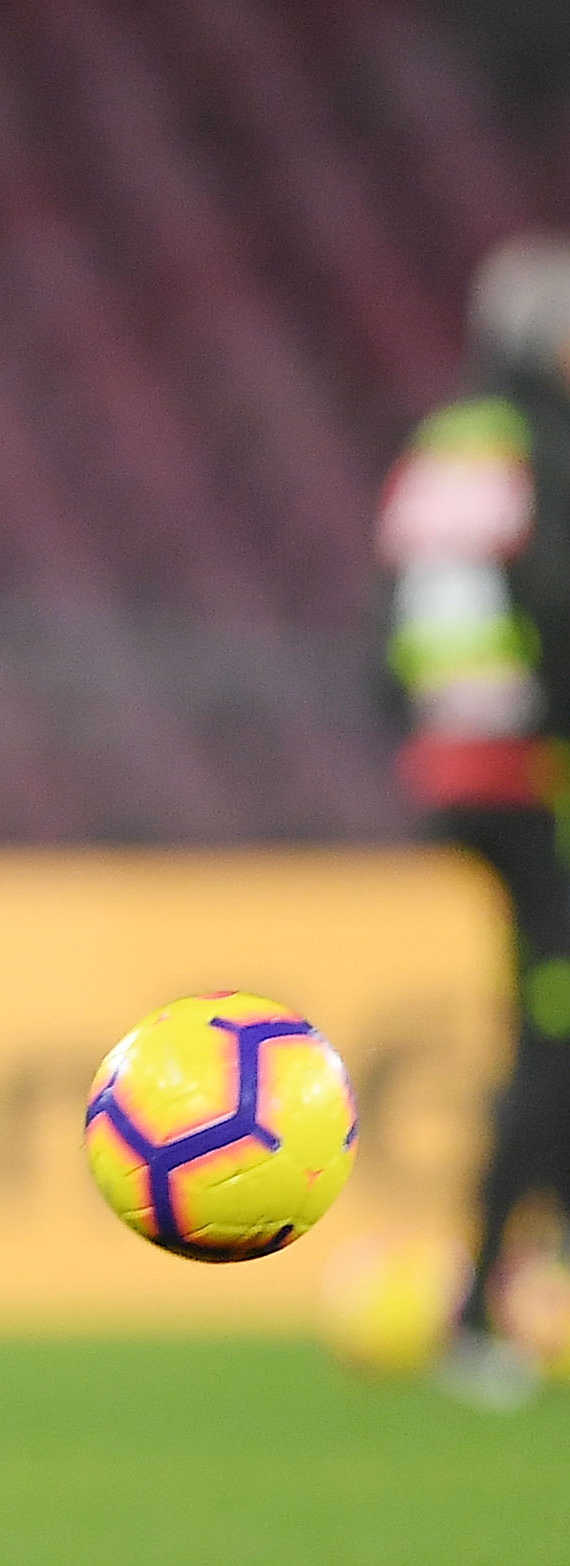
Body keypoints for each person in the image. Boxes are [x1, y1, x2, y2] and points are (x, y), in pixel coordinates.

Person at [375, 236, 570, 1410]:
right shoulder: (543, 445)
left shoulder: (446, 445)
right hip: (542, 776)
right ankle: (482, 1303)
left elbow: (384, 616)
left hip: (458, 771)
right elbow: (556, 598)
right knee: (553, 1035)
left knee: (552, 1022)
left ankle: (502, 1291)